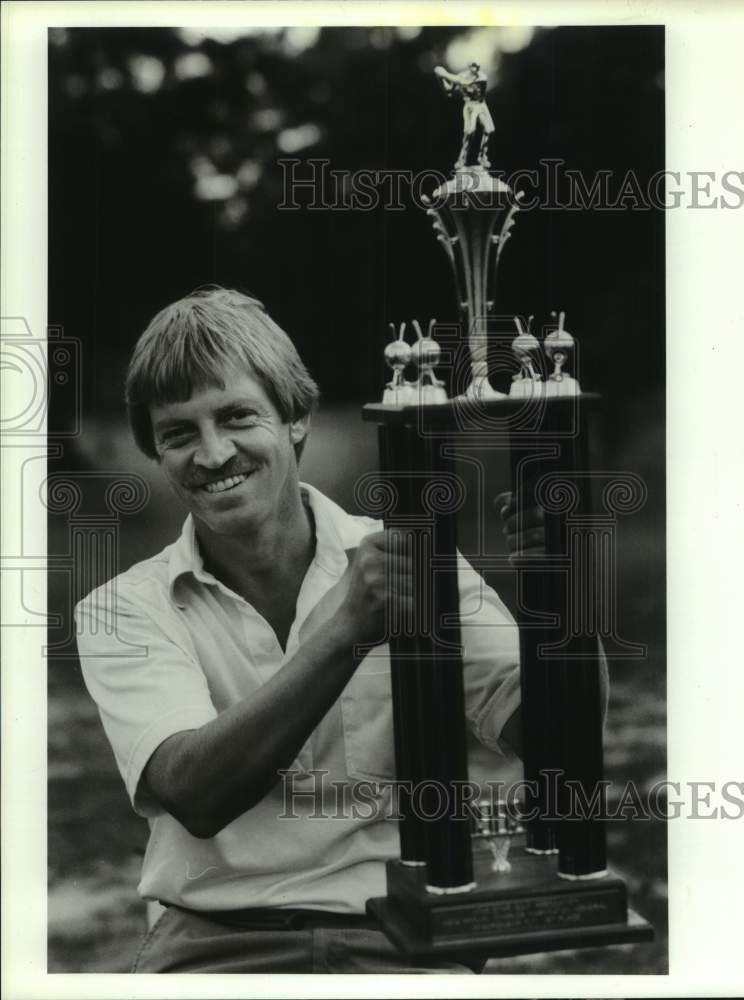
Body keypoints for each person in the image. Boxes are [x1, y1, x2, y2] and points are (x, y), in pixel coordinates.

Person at [75, 286, 543, 974]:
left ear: (295, 418)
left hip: (400, 934)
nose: (212, 454)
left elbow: (548, 736)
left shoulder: (417, 564)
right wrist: (349, 627)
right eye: (178, 433)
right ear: (156, 451)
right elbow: (194, 793)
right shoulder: (122, 607)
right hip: (215, 944)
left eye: (237, 417)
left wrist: (559, 602)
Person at [434, 62, 496, 169]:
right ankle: (462, 158)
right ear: (469, 67)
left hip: (481, 105)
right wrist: (441, 78)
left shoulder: (482, 77)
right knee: (470, 131)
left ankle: (482, 156)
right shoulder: (461, 76)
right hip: (470, 106)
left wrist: (446, 75)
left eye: (477, 66)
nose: (476, 68)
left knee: (490, 130)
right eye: (473, 65)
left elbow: (465, 82)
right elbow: (449, 90)